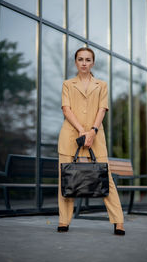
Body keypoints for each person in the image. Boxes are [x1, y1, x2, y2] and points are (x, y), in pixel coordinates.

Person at [57, 47, 125, 235]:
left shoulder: (101, 84)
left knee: (106, 178)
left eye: (88, 60)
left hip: (96, 137)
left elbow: (102, 109)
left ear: (93, 63)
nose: (84, 63)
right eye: (80, 59)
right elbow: (66, 108)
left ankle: (118, 221)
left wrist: (93, 131)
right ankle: (64, 221)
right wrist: (81, 130)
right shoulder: (67, 84)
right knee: (66, 178)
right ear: (75, 62)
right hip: (70, 136)